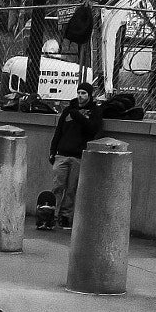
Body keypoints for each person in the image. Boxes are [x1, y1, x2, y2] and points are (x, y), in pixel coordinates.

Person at [47, 82, 103, 229]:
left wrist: (78, 116)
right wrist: (53, 151)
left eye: (84, 93)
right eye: (79, 92)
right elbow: (58, 132)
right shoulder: (68, 110)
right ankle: (51, 214)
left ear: (90, 95)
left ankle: (65, 216)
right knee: (57, 186)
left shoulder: (94, 112)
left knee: (71, 189)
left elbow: (93, 129)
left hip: (78, 155)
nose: (80, 95)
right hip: (62, 154)